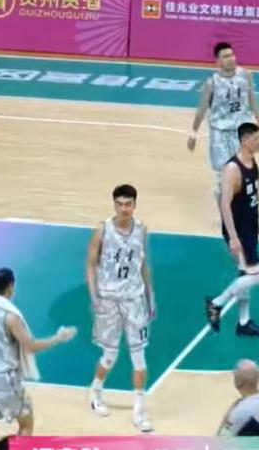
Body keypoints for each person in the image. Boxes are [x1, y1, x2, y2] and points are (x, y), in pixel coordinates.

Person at [0, 268, 77, 450]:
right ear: (11, 287)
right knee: (26, 423)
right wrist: (58, 338)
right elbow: (31, 346)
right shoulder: (10, 317)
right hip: (3, 380)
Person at [86, 184, 156, 431]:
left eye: (128, 204)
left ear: (134, 205)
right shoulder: (102, 230)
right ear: (114, 204)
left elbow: (143, 264)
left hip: (134, 299)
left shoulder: (142, 229)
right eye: (120, 204)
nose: (124, 208)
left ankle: (139, 409)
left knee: (139, 357)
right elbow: (91, 264)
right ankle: (95, 391)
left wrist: (150, 296)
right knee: (110, 355)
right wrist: (94, 297)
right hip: (108, 299)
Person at [205, 122, 259, 338]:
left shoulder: (252, 161)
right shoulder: (233, 168)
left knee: (244, 274)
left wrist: (258, 218)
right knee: (256, 276)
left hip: (250, 226)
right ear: (244, 141)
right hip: (239, 230)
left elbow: (253, 194)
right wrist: (233, 237)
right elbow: (224, 203)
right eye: (255, 139)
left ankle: (243, 322)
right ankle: (216, 303)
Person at [188, 42, 259, 191]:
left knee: (243, 173)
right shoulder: (212, 83)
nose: (231, 58)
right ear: (218, 61)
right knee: (223, 175)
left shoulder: (245, 75)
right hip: (220, 133)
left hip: (242, 132)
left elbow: (253, 101)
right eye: (225, 56)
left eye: (232, 55)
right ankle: (224, 202)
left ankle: (241, 200)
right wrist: (193, 133)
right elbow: (202, 109)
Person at [217, 360, 259, 436]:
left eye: (235, 376)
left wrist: (228, 415)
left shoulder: (241, 410)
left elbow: (222, 438)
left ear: (239, 381)